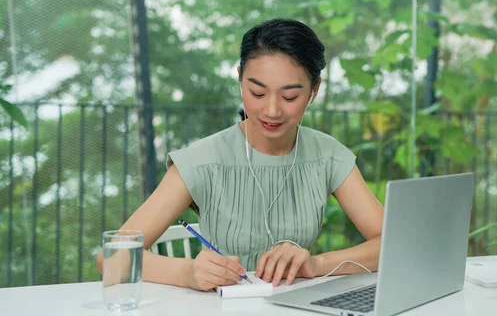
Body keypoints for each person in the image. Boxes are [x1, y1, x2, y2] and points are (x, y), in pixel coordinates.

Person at [96, 18, 383, 291]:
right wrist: (187, 273)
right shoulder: (204, 160)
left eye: (290, 97)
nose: (271, 110)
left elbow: (393, 243)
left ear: (314, 89)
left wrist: (317, 263)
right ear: (240, 79)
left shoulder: (327, 156)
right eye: (257, 93)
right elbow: (111, 258)